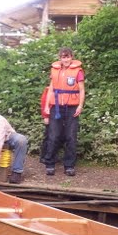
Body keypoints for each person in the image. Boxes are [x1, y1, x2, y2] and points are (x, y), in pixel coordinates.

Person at [43, 47, 85, 176]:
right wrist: (46, 107)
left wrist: (80, 106)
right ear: (60, 58)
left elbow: (82, 90)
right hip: (55, 106)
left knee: (71, 137)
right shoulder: (55, 70)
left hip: (72, 107)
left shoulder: (78, 71)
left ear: (72, 57)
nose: (65, 59)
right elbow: (50, 89)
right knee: (54, 135)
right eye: (63, 57)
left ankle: (69, 165)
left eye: (67, 56)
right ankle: (50, 163)